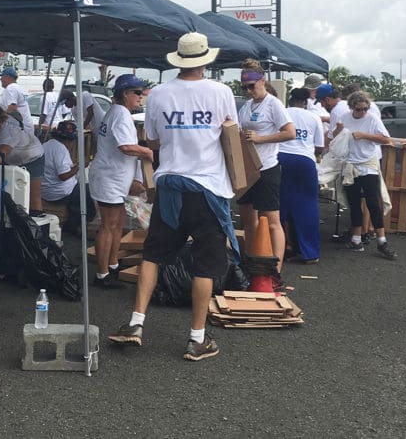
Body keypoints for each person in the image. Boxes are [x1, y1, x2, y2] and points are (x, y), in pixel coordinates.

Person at [108, 32, 238, 362]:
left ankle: (136, 323)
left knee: (154, 253)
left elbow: (152, 142)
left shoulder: (160, 94)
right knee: (205, 265)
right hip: (208, 187)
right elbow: (231, 137)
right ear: (206, 60)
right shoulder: (221, 92)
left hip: (170, 186)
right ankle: (196, 339)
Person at [88, 74, 155, 288]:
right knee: (109, 225)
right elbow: (125, 147)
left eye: (141, 92)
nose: (140, 96)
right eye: (137, 92)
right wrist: (147, 151)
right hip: (109, 178)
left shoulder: (116, 112)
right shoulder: (121, 114)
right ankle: (102, 274)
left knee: (117, 223)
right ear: (125, 93)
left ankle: (113, 264)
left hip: (115, 178)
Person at [237, 59, 295, 282]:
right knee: (248, 220)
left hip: (267, 167)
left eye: (252, 86)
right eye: (245, 87)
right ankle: (252, 263)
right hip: (247, 168)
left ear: (262, 81)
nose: (249, 91)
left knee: (270, 221)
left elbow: (290, 132)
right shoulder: (247, 106)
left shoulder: (273, 104)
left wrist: (261, 138)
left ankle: (276, 270)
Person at [341, 91, 397, 259]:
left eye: (365, 108)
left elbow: (386, 139)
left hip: (368, 164)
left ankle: (382, 240)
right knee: (354, 202)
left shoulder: (372, 118)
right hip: (350, 164)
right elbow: (334, 136)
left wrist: (364, 135)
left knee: (373, 203)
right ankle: (356, 238)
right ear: (352, 108)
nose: (363, 112)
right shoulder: (345, 117)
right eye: (359, 110)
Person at [277, 88, 325, 263]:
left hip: (280, 158)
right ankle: (310, 252)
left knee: (278, 206)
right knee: (307, 206)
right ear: (306, 102)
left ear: (290, 100)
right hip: (305, 161)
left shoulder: (282, 113)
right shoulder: (313, 118)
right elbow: (319, 147)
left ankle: (275, 250)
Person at [0, 104, 46, 216]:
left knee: (33, 195)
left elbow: (1, 154)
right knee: (9, 194)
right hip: (12, 160)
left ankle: (36, 222)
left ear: (0, 121)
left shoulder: (10, 130)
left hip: (32, 157)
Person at [40, 120, 95, 235]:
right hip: (59, 192)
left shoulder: (46, 145)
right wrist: (79, 166)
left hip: (46, 188)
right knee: (88, 193)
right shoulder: (60, 149)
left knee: (83, 188)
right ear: (69, 140)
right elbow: (63, 176)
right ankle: (74, 226)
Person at [0, 66, 35, 133]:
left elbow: (12, 108)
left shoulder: (11, 88)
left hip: (19, 129)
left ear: (8, 77)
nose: (0, 79)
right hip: (25, 127)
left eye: (2, 76)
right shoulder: (18, 87)